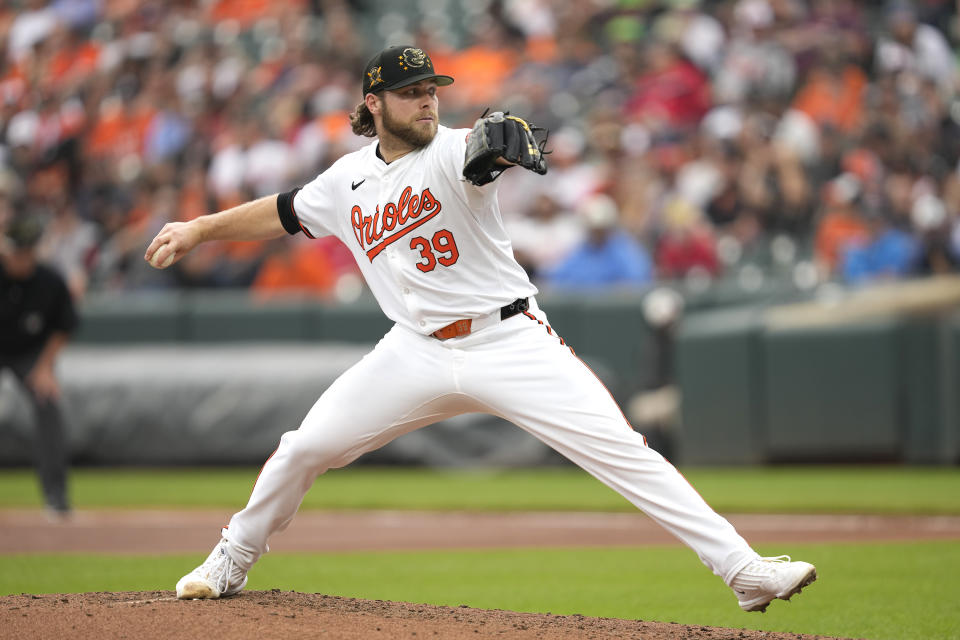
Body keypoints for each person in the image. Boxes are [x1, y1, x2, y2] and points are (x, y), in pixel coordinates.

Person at [145, 45, 817, 613]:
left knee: (623, 450)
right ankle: (232, 557)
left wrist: (500, 148)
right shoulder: (345, 181)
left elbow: (482, 153)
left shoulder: (452, 151)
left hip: (509, 341)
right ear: (373, 104)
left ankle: (742, 570)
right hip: (413, 351)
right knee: (304, 447)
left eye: (430, 89)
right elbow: (286, 210)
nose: (426, 101)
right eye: (409, 93)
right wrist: (202, 228)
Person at [0, 214, 78, 518]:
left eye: (28, 252)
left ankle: (56, 497)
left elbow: (64, 326)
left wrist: (45, 367)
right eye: (17, 251)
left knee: (48, 403)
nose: (22, 259)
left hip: (30, 353)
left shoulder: (49, 281)